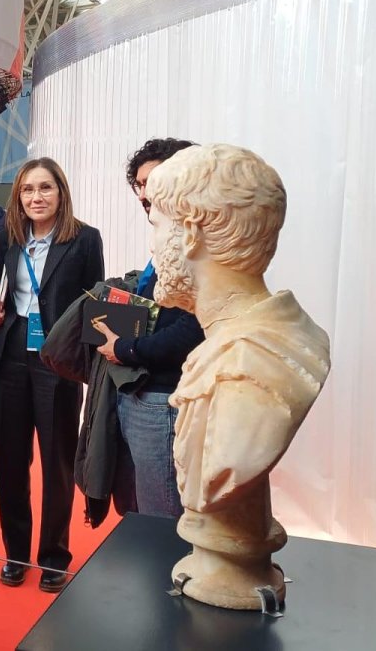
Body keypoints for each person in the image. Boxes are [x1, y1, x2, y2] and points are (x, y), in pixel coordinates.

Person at [146, 144, 330, 607]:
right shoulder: (250, 345)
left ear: (189, 233)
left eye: (155, 226)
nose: (149, 246)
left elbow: (226, 464)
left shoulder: (249, 365)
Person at [0, 158, 104, 593]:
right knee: (9, 463)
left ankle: (54, 555)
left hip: (57, 362)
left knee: (57, 463)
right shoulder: (10, 237)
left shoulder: (85, 240)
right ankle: (15, 554)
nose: (36, 197)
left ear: (61, 193)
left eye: (45, 188)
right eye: (28, 190)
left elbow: (95, 304)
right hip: (9, 357)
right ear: (18, 196)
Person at [90, 138, 205, 519]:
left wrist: (127, 350)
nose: (145, 192)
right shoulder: (170, 238)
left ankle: (169, 581)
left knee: (163, 518)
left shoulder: (200, 241)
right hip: (139, 393)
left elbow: (194, 327)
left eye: (153, 180)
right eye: (139, 184)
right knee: (141, 510)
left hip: (164, 399)